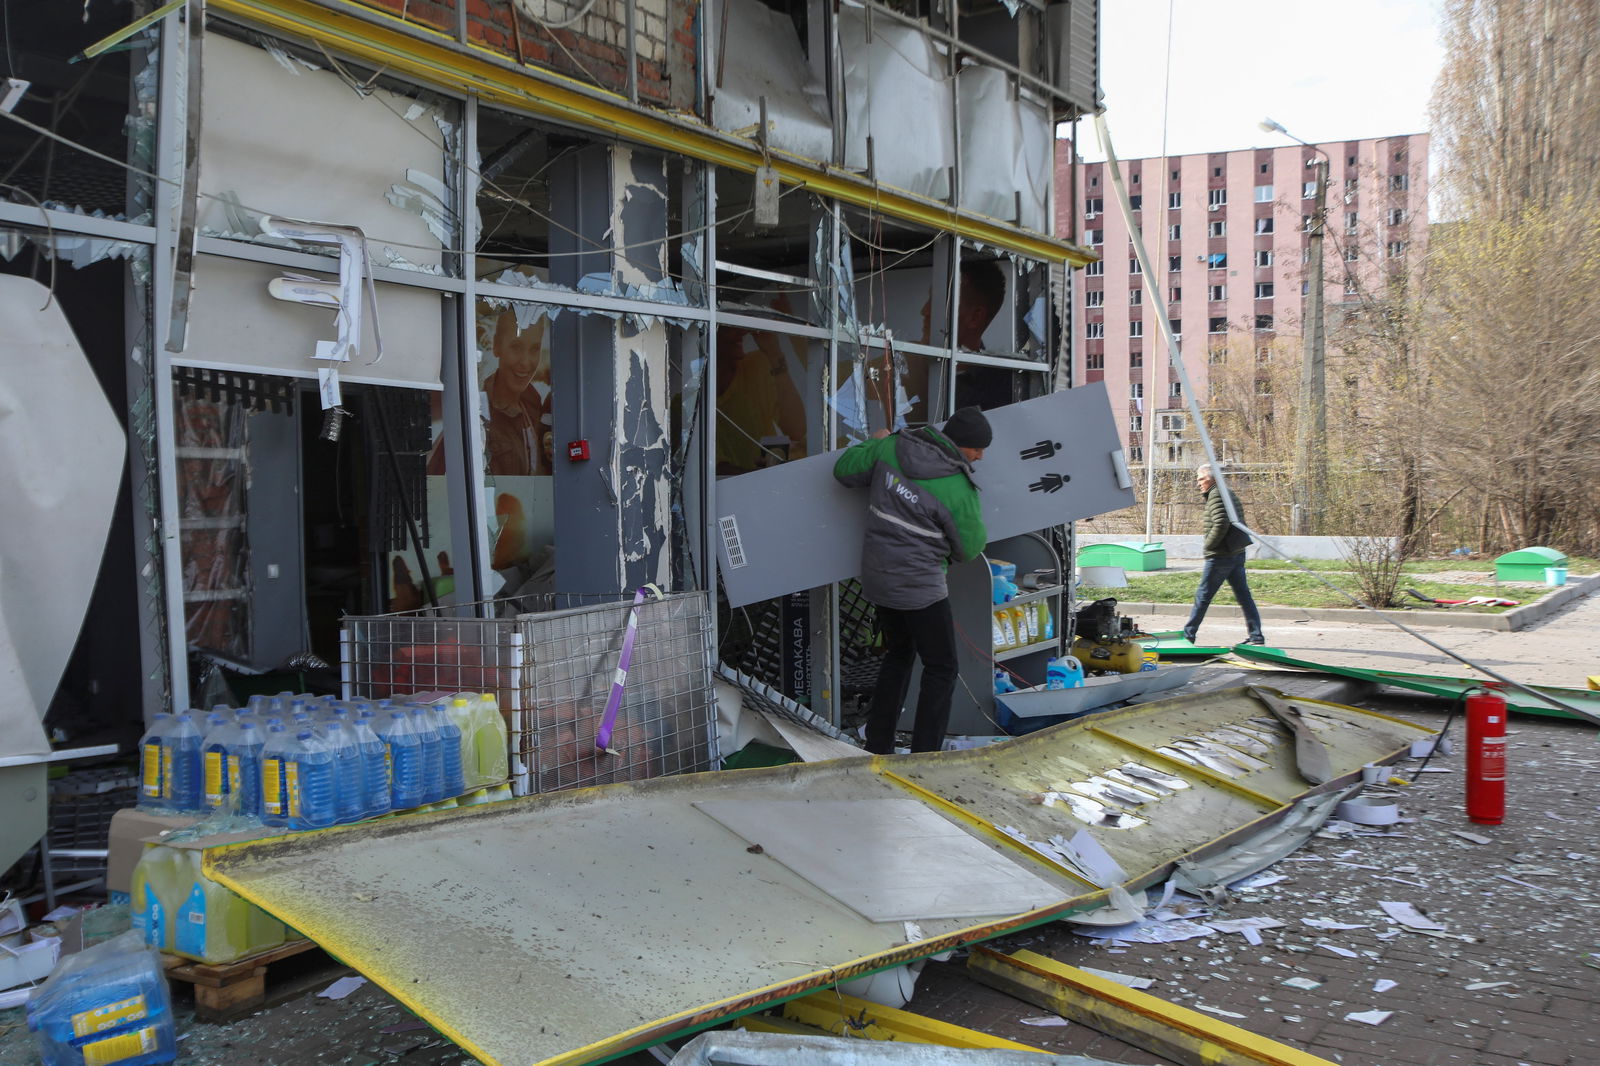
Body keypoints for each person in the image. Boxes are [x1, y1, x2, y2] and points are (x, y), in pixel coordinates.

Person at [833, 406, 991, 754]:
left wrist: (872, 442)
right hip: (920, 588)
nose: (980, 456)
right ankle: (925, 754)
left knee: (899, 654)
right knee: (942, 668)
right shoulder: (957, 488)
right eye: (977, 448)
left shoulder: (890, 448)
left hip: (878, 579)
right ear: (959, 444)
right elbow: (969, 549)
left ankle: (879, 743)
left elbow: (843, 470)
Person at [1183, 463, 1265, 646]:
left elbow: (1221, 523)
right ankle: (1256, 636)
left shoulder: (1217, 494)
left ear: (1211, 479)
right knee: (1244, 596)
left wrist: (1208, 546)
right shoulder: (1225, 492)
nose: (1198, 483)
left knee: (1203, 596)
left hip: (1221, 555)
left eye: (1201, 479)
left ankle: (1188, 636)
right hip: (1236, 552)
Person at [483, 309, 551, 476]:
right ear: (497, 346)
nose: (525, 362)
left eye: (534, 349)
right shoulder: (479, 409)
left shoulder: (534, 404)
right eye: (516, 347)